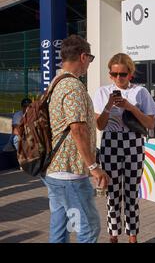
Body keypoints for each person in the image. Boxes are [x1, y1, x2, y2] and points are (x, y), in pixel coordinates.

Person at [42, 34, 109, 243]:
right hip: (70, 174)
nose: (90, 64)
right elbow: (77, 129)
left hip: (54, 171)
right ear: (83, 56)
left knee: (60, 228)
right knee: (88, 229)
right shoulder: (73, 86)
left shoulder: (56, 81)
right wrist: (93, 167)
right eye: (90, 59)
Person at [93, 53, 155, 243]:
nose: (118, 78)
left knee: (131, 193)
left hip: (134, 143)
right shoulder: (103, 92)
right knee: (112, 193)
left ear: (130, 73)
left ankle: (132, 236)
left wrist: (131, 107)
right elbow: (100, 126)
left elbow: (151, 124)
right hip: (110, 143)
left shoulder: (141, 92)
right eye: (114, 74)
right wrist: (108, 106)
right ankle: (113, 236)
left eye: (122, 74)